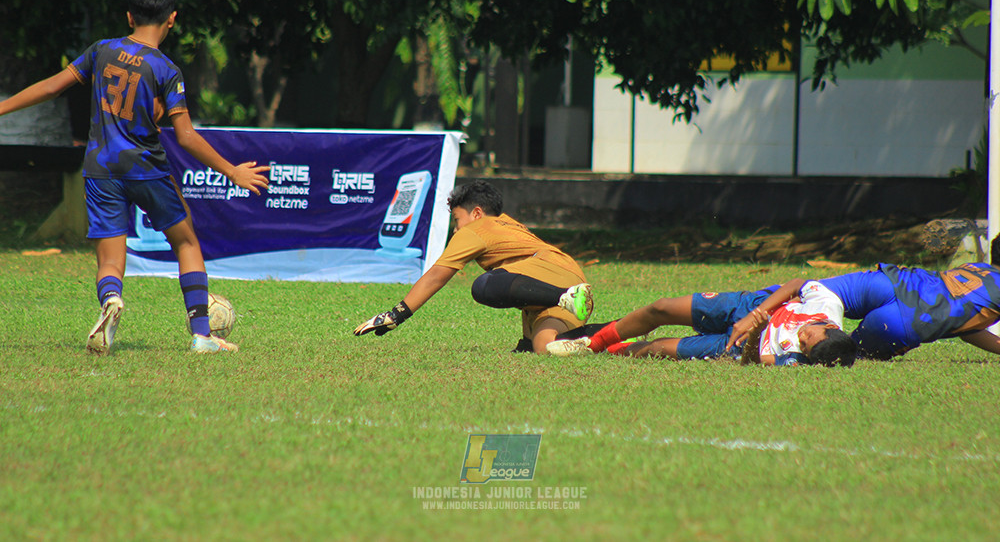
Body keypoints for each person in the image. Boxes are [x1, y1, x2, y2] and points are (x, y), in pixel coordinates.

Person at [0, 0, 269, 355]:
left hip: (101, 170)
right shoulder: (165, 69)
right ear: (172, 18)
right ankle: (201, 335)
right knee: (186, 241)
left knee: (110, 261)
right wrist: (232, 171)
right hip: (146, 169)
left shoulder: (101, 51)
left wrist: (2, 108)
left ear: (129, 16)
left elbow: (51, 87)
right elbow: (187, 136)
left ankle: (111, 300)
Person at [353, 180, 594, 354]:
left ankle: (564, 297)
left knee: (485, 285)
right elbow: (523, 272)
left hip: (557, 282)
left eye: (457, 220)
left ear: (477, 213)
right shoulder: (509, 224)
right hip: (569, 275)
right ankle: (616, 331)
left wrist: (397, 314)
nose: (456, 229)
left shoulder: (476, 229)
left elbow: (437, 275)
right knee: (546, 347)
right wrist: (526, 342)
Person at [548, 279, 857, 366]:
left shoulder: (798, 360)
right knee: (662, 308)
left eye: (804, 344)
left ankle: (612, 349)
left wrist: (756, 334)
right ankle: (592, 343)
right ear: (830, 327)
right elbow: (795, 284)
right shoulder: (828, 305)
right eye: (810, 334)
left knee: (655, 350)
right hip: (746, 308)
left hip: (734, 347)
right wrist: (753, 316)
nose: (801, 336)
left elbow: (753, 361)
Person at [726, 262, 1000, 361]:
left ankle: (750, 308)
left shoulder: (979, 267)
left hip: (892, 283)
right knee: (839, 353)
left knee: (810, 291)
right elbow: (962, 324)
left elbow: (968, 328)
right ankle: (771, 351)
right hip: (903, 322)